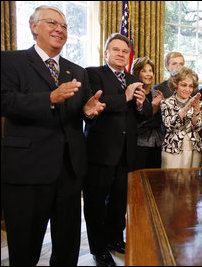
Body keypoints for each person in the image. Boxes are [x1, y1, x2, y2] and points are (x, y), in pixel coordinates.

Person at [1, 5, 105, 266]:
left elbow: (78, 111)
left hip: (69, 173)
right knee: (24, 248)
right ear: (34, 27)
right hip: (28, 172)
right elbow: (6, 102)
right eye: (52, 23)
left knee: (67, 247)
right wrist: (49, 97)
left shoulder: (77, 71)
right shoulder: (9, 61)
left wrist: (88, 112)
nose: (60, 29)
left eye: (65, 26)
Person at [83, 33, 152, 266]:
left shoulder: (133, 78)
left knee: (119, 203)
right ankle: (99, 249)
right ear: (106, 53)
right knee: (95, 204)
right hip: (100, 152)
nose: (121, 54)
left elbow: (145, 115)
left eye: (125, 51)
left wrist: (142, 105)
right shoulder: (92, 73)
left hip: (126, 153)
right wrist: (126, 96)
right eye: (116, 50)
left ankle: (115, 239)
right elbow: (96, 104)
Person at [160, 66, 202, 168]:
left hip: (194, 149)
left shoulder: (198, 103)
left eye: (190, 86)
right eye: (183, 85)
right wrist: (187, 107)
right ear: (176, 85)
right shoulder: (166, 103)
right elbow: (169, 125)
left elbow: (197, 127)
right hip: (172, 149)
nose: (187, 89)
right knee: (172, 182)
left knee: (192, 182)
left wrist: (196, 111)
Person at [133, 56, 164, 169]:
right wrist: (153, 108)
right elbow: (137, 124)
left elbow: (160, 122)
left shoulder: (156, 94)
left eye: (150, 71)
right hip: (139, 144)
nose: (148, 74)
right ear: (137, 73)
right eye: (144, 70)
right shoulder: (133, 94)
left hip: (157, 144)